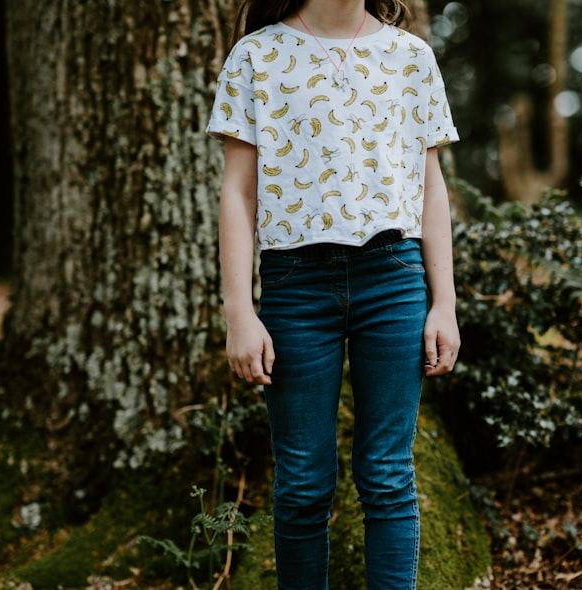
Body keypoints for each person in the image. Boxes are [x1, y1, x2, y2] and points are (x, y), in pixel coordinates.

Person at [206, 0, 460, 587]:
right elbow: (237, 195)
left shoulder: (410, 57)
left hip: (394, 280)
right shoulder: (257, 56)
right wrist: (239, 311)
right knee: (301, 481)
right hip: (295, 289)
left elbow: (432, 188)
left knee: (389, 475)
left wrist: (443, 303)